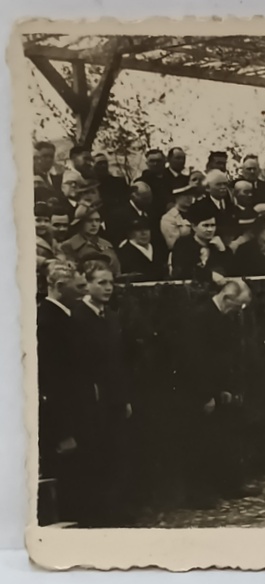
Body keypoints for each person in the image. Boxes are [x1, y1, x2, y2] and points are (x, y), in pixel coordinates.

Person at [174, 279, 259, 508]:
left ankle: (229, 485)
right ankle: (198, 495)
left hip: (218, 389)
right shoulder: (199, 317)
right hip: (199, 390)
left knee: (224, 438)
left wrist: (226, 388)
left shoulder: (222, 317)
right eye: (238, 305)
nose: (239, 310)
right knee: (199, 442)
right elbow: (194, 360)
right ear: (227, 298)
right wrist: (205, 394)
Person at [71, 260, 134, 526]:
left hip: (114, 399)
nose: (108, 288)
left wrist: (124, 397)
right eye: (101, 283)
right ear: (87, 284)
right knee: (94, 457)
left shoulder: (110, 316)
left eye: (111, 282)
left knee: (116, 455)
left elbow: (117, 361)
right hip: (91, 400)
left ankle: (115, 512)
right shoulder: (77, 317)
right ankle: (96, 516)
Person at [36, 260, 87, 524]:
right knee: (68, 479)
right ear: (58, 286)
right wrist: (64, 430)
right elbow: (53, 381)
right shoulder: (48, 322)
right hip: (63, 416)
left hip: (75, 410)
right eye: (75, 286)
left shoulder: (65, 316)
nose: (82, 290)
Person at [170, 200, 231, 284]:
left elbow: (231, 270)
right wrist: (210, 275)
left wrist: (223, 251)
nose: (210, 230)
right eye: (205, 225)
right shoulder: (183, 245)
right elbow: (183, 271)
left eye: (213, 225)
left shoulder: (218, 243)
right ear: (194, 227)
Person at [60, 205, 121, 275]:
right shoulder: (69, 246)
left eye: (97, 220)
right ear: (80, 223)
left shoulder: (106, 244)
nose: (94, 224)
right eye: (89, 221)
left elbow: (117, 271)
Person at [118, 216, 168, 281]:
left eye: (146, 229)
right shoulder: (125, 253)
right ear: (130, 233)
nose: (144, 233)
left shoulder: (159, 248)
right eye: (138, 230)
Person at [161, 184, 199, 250]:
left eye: (190, 194)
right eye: (185, 195)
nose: (189, 197)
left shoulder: (197, 213)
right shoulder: (169, 218)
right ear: (176, 197)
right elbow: (173, 244)